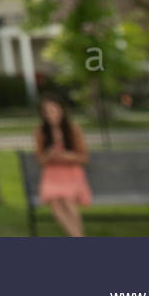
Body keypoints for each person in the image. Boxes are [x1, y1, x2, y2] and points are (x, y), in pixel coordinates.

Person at [33, 94, 92, 237]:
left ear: (62, 111)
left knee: (67, 201)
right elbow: (41, 160)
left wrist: (66, 156)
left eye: (53, 110)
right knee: (55, 203)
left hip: (72, 173)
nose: (50, 115)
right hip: (52, 174)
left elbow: (84, 158)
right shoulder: (41, 132)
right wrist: (50, 155)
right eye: (46, 112)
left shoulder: (73, 129)